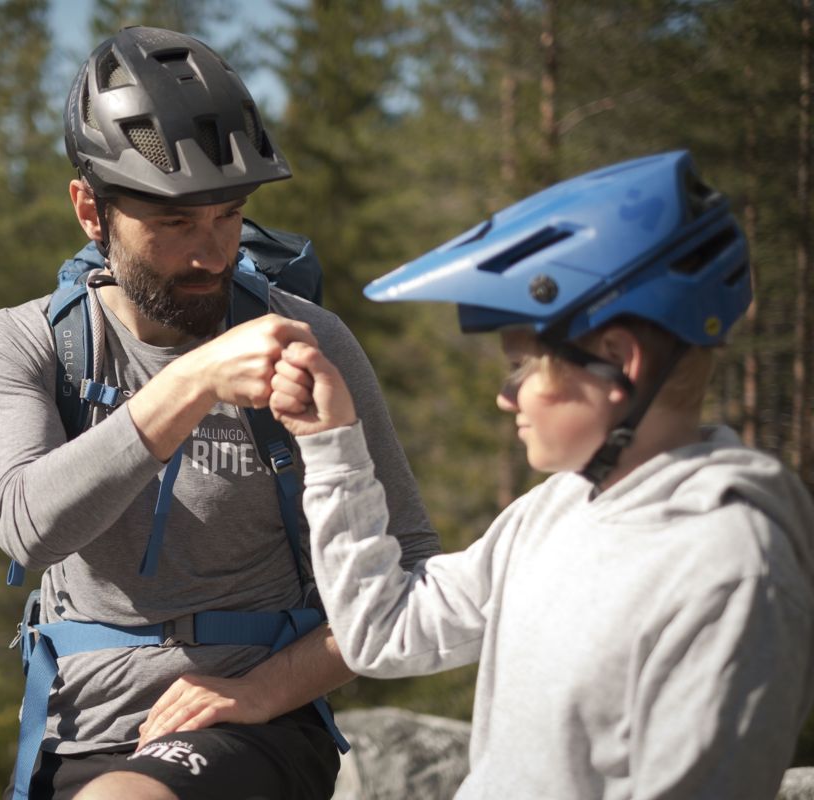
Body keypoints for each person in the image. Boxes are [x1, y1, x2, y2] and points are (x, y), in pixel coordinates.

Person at [0, 26, 438, 800]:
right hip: (73, 733)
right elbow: (27, 525)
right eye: (176, 224)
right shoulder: (25, 345)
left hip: (256, 725)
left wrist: (263, 692)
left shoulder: (307, 340)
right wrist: (193, 384)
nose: (212, 254)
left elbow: (408, 570)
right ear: (91, 210)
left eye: (228, 216)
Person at [269, 151, 814, 799]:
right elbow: (384, 630)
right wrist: (331, 444)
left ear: (617, 362)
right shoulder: (561, 506)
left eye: (523, 367)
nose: (507, 396)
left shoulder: (730, 571)